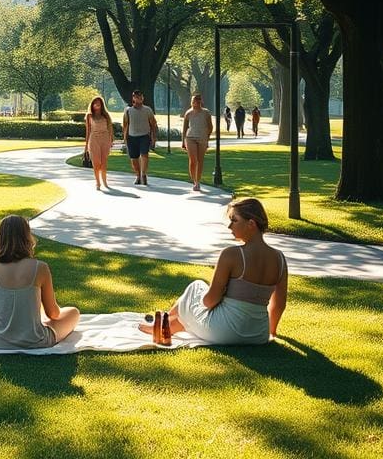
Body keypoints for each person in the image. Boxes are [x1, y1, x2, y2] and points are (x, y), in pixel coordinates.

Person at [139, 198, 287, 345]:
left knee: (195, 287)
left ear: (251, 224)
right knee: (194, 311)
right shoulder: (280, 259)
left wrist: (206, 300)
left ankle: (163, 322)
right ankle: (168, 325)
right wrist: (270, 332)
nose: (229, 226)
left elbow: (210, 301)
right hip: (257, 335)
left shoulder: (231, 254)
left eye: (234, 220)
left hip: (224, 332)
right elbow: (279, 304)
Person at [0, 215, 80, 349]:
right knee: (73, 312)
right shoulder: (40, 267)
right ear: (27, 237)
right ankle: (32, 323)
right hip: (36, 340)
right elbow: (53, 314)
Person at [122, 89, 157, 185]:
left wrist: (153, 137)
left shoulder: (148, 110)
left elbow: (153, 124)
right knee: (134, 158)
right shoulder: (128, 111)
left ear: (143, 98)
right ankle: (137, 175)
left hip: (144, 136)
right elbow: (125, 125)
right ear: (133, 98)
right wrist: (125, 138)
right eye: (137, 97)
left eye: (140, 96)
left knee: (144, 154)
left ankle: (143, 174)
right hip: (132, 137)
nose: (139, 98)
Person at [181, 94, 213, 192]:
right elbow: (185, 128)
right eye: (195, 100)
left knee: (200, 160)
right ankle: (194, 181)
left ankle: (198, 181)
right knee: (193, 160)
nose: (197, 102)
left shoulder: (206, 113)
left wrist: (207, 137)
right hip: (190, 138)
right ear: (192, 101)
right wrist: (183, 141)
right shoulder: (188, 113)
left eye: (199, 100)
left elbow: (210, 127)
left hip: (202, 138)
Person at [84, 95, 114, 190]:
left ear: (102, 104)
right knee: (96, 162)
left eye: (99, 102)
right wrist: (86, 146)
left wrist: (111, 140)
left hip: (105, 139)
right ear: (92, 105)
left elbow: (110, 129)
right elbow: (88, 131)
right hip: (94, 139)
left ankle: (105, 181)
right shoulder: (89, 116)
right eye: (95, 103)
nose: (97, 104)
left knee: (104, 162)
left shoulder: (106, 115)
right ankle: (98, 182)